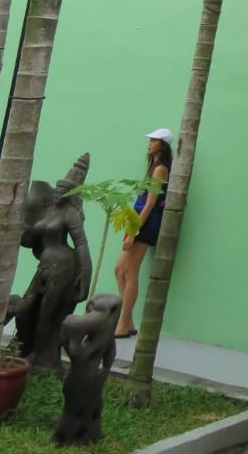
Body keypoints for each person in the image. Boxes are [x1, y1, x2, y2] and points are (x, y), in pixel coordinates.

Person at [113, 128, 173, 340]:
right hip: (137, 218)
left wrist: (134, 231)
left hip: (144, 222)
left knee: (130, 272)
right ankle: (127, 322)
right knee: (120, 270)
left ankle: (122, 324)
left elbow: (150, 203)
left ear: (162, 145)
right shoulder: (154, 167)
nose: (150, 143)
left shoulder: (160, 169)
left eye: (154, 140)